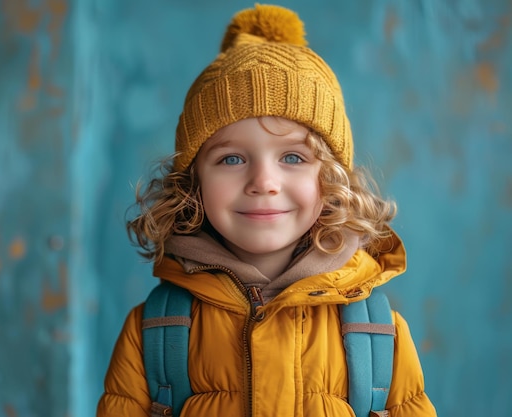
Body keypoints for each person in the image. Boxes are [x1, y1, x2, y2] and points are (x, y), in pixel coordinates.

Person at [97, 4, 436, 417]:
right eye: (232, 159)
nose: (263, 181)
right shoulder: (152, 333)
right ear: (193, 184)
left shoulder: (383, 338)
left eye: (293, 158)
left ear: (331, 182)